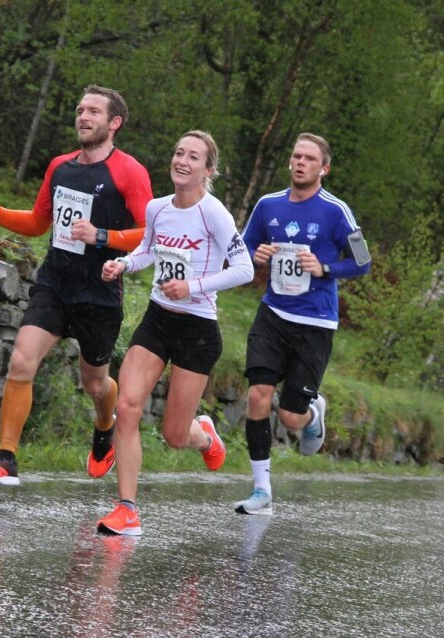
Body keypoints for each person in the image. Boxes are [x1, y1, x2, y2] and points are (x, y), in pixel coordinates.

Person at [0, 85, 153, 486]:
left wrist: (102, 237)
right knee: (21, 360)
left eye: (93, 112)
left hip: (100, 291)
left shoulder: (130, 172)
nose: (83, 117)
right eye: (79, 110)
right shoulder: (59, 167)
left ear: (114, 123)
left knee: (96, 382)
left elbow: (149, 234)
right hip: (55, 282)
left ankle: (105, 428)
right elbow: (39, 222)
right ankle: (6, 458)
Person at [96, 130, 254, 535]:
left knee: (173, 434)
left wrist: (193, 286)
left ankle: (204, 436)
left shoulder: (214, 213)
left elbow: (246, 269)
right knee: (127, 407)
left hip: (198, 329)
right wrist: (123, 265)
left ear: (208, 170)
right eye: (178, 153)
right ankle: (127, 509)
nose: (182, 161)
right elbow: (148, 249)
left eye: (193, 157)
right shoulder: (157, 208)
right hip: (157, 320)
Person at [234, 132, 371, 515]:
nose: (300, 162)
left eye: (309, 158)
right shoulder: (268, 205)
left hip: (314, 323)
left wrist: (325, 267)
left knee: (290, 417)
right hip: (272, 314)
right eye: (296, 156)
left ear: (323, 169)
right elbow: (243, 247)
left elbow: (363, 261)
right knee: (258, 395)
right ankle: (261, 489)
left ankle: (313, 412)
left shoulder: (336, 211)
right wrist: (255, 253)